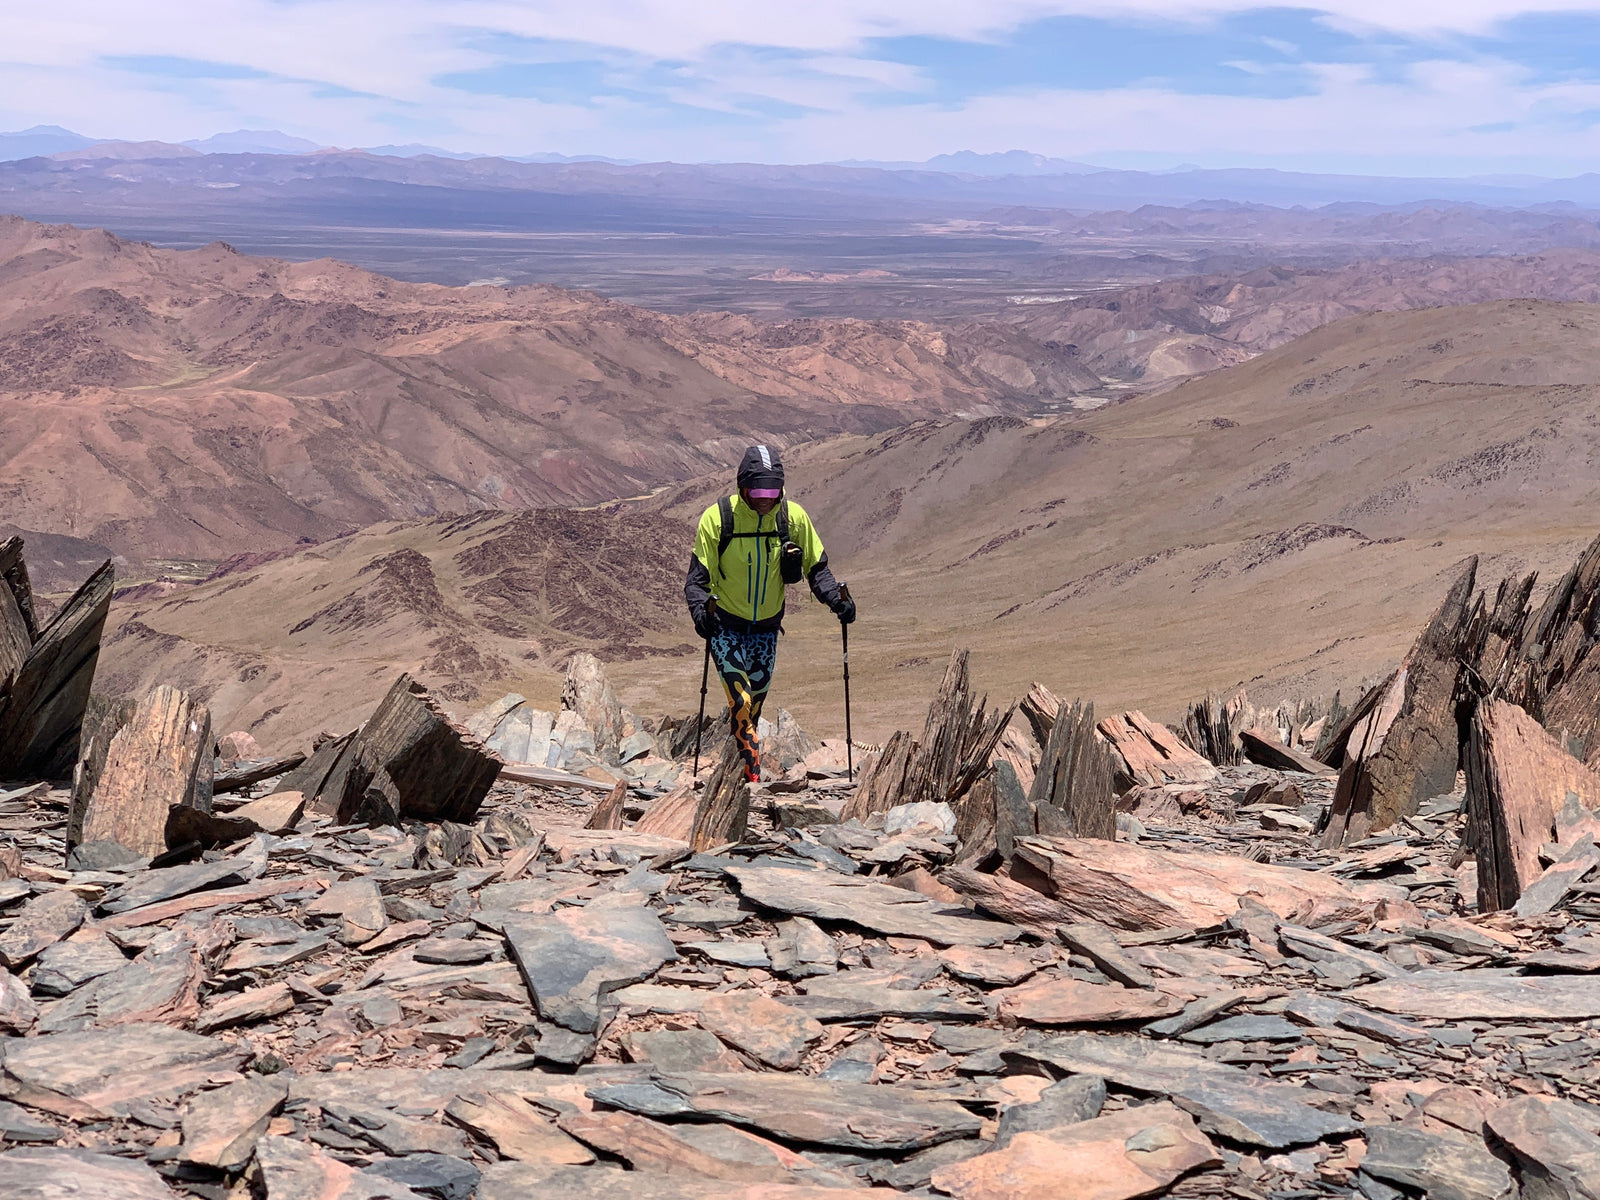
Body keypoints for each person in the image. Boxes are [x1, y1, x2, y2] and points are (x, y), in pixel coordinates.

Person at [684, 444, 856, 782]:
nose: (765, 498)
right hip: (725, 627)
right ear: (742, 487)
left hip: (766, 631)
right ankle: (752, 783)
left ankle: (731, 776)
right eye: (758, 491)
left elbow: (816, 567)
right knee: (743, 703)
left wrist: (837, 599)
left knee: (753, 709)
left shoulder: (792, 518)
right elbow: (696, 581)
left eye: (773, 491)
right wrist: (700, 614)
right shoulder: (718, 519)